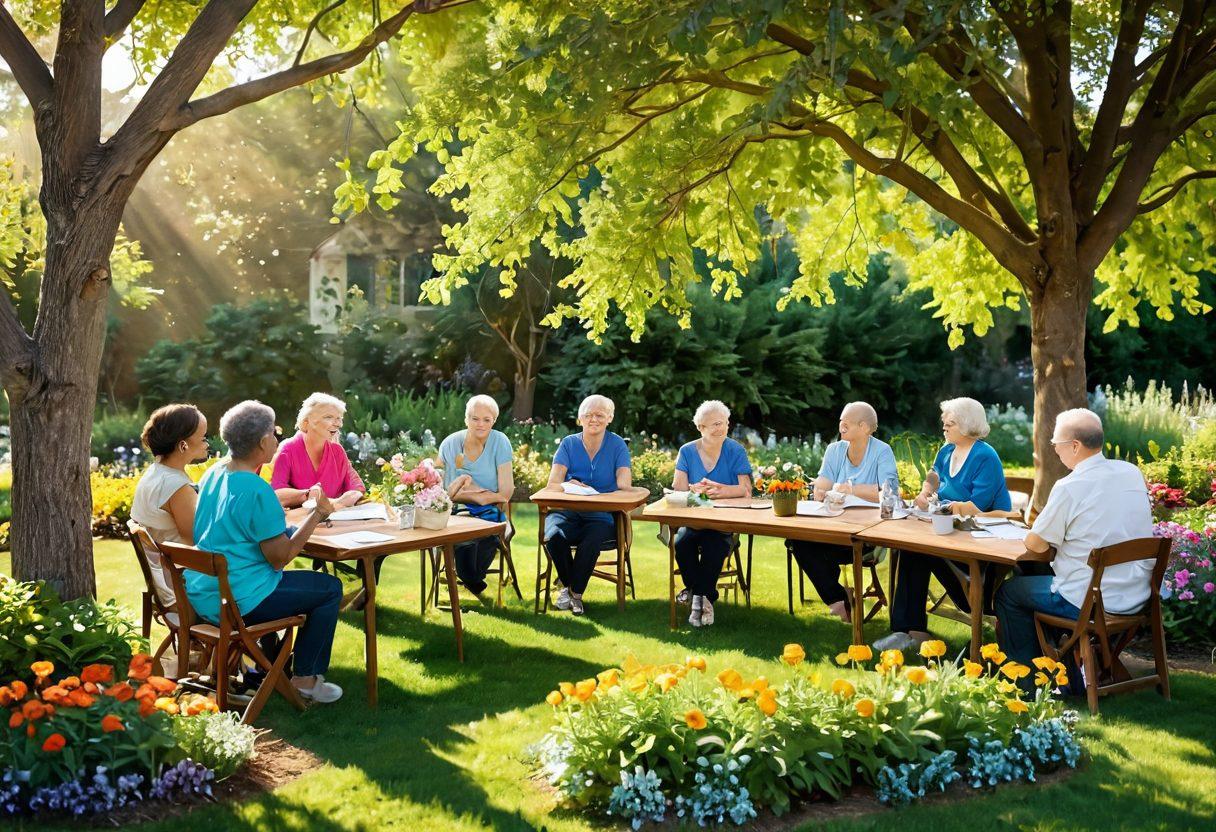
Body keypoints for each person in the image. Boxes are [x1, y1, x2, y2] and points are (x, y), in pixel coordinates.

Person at [189, 400, 344, 703]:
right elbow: (280, 556)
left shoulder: (214, 474)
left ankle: (277, 665)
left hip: (204, 592)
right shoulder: (256, 489)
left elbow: (235, 529)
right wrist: (317, 515)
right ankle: (305, 679)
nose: (277, 438)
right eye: (274, 433)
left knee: (305, 585)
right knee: (329, 588)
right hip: (239, 600)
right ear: (262, 442)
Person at [995, 408, 1154, 683]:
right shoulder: (1131, 473)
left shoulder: (1071, 485)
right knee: (1030, 577)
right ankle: (1067, 664)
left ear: (1075, 446)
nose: (1055, 450)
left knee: (1009, 593)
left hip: (1090, 600)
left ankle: (1029, 680)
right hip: (1135, 594)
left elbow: (1035, 543)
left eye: (1056, 444)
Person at [876, 398, 1012, 652]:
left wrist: (943, 508)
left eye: (950, 424)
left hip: (981, 541)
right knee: (911, 548)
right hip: (948, 531)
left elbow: (977, 505)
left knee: (917, 552)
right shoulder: (947, 450)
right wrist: (926, 492)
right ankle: (909, 631)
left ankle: (912, 631)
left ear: (968, 425)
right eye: (944, 424)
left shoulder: (985, 456)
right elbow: (934, 474)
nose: (945, 429)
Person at [787, 401, 898, 623]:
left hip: (865, 535)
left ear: (865, 427)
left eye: (847, 423)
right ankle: (838, 600)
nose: (841, 427)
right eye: (840, 422)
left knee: (816, 552)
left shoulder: (882, 451)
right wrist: (819, 490)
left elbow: (890, 493)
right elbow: (825, 482)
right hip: (832, 528)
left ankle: (842, 597)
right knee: (797, 541)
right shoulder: (834, 450)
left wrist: (851, 489)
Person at [544, 394, 632, 616]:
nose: (594, 419)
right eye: (588, 415)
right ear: (580, 419)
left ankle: (574, 593)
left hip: (601, 515)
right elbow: (553, 484)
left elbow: (624, 485)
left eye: (600, 415)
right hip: (567, 512)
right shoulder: (569, 444)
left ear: (609, 418)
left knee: (592, 540)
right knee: (553, 535)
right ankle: (572, 590)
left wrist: (617, 485)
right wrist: (567, 484)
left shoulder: (617, 445)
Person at [672, 400, 752, 628]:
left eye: (725, 423)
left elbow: (746, 491)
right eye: (715, 424)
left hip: (723, 523)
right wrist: (695, 490)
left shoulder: (735, 450)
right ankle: (704, 597)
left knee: (714, 547)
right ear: (701, 427)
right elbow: (679, 490)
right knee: (682, 544)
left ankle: (698, 598)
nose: (722, 428)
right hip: (695, 521)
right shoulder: (686, 451)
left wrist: (719, 489)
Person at [131, 403, 210, 609]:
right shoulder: (176, 487)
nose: (207, 443)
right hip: (184, 587)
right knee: (259, 582)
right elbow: (198, 541)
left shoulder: (156, 473)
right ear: (183, 445)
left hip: (167, 580)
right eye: (203, 438)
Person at [438, 394, 515, 597]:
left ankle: (470, 579)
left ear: (494, 421)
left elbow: (506, 492)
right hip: (458, 511)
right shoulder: (450, 444)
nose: (480, 424)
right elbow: (445, 493)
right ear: (466, 419)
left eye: (486, 419)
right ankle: (473, 581)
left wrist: (482, 498)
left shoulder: (500, 442)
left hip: (490, 511)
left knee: (488, 533)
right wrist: (478, 496)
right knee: (463, 538)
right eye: (475, 418)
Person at [271, 392, 364, 509]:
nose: (338, 424)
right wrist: (310, 494)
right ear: (306, 422)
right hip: (300, 523)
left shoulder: (337, 451)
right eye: (329, 417)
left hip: (337, 520)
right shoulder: (288, 449)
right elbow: (276, 494)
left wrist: (352, 495)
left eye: (339, 418)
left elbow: (356, 485)